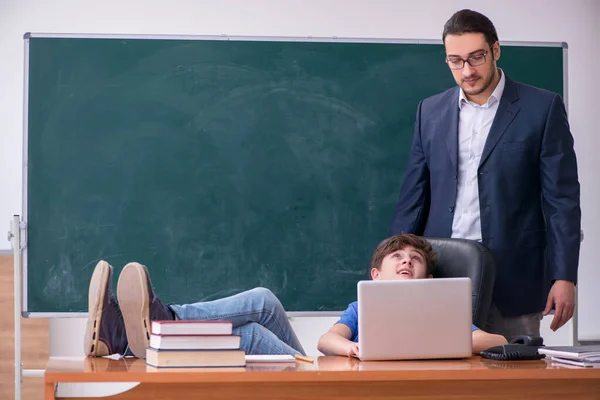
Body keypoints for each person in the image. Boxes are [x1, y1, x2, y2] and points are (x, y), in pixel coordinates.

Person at [390, 9, 581, 340]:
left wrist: (565, 277)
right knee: (440, 384)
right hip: (440, 275)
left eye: (476, 57)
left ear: (495, 50)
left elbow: (561, 200)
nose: (467, 70)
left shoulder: (542, 108)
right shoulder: (430, 111)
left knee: (515, 383)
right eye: (455, 61)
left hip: (514, 278)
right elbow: (414, 198)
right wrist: (391, 272)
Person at [317, 234, 507, 356]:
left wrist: (441, 342)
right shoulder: (360, 309)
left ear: (428, 279)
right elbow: (326, 341)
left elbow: (498, 341)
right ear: (376, 275)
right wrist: (351, 348)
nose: (407, 261)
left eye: (415, 258)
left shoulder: (440, 311)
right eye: (397, 256)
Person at [84, 260, 305, 358]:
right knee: (264, 301)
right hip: (324, 369)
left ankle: (127, 335)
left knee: (253, 335)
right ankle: (123, 336)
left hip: (331, 384)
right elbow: (328, 340)